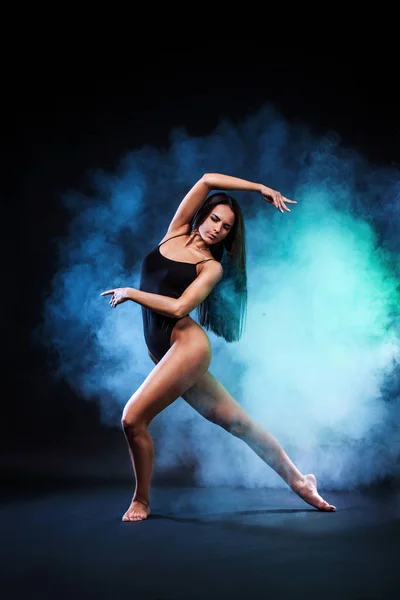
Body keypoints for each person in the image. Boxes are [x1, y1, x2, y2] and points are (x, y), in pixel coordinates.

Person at [101, 173, 336, 521]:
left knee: (132, 419)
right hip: (165, 351)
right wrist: (260, 189)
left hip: (187, 348)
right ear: (202, 215)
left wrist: (132, 293)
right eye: (214, 219)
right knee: (239, 423)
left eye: (226, 228)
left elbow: (179, 308)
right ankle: (301, 481)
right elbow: (208, 180)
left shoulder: (210, 268)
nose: (217, 229)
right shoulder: (176, 231)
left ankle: (142, 501)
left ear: (229, 236)